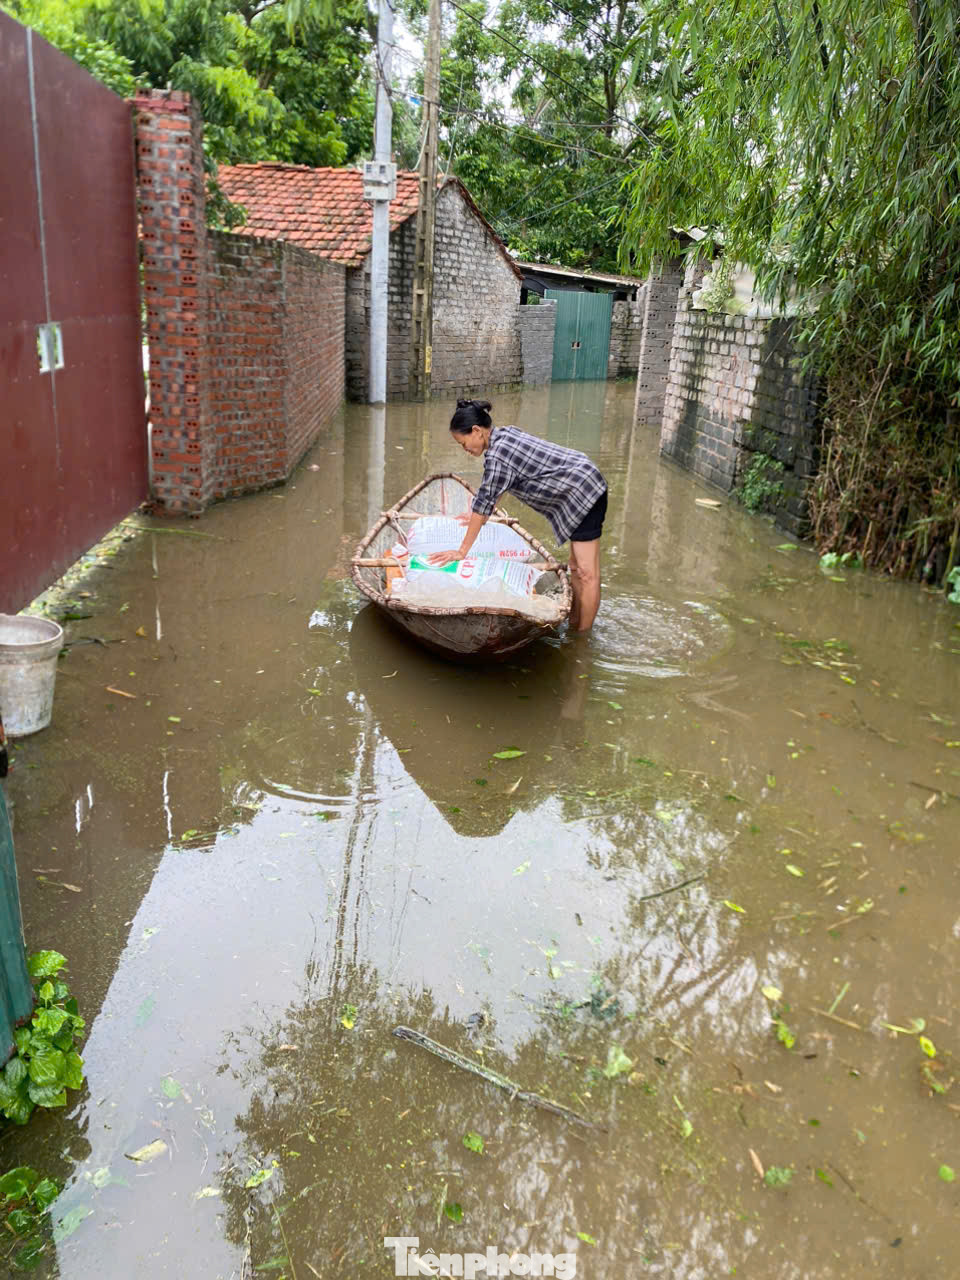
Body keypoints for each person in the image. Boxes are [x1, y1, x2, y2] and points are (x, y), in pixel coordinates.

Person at [428, 399, 608, 632]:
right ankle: (574, 623)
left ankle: (582, 638)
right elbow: (497, 489)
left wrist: (461, 551)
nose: (465, 450)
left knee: (587, 572)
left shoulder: (498, 456)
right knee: (576, 567)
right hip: (577, 484)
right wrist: (480, 514)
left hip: (583, 490)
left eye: (463, 444)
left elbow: (485, 499)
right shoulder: (503, 436)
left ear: (476, 431)